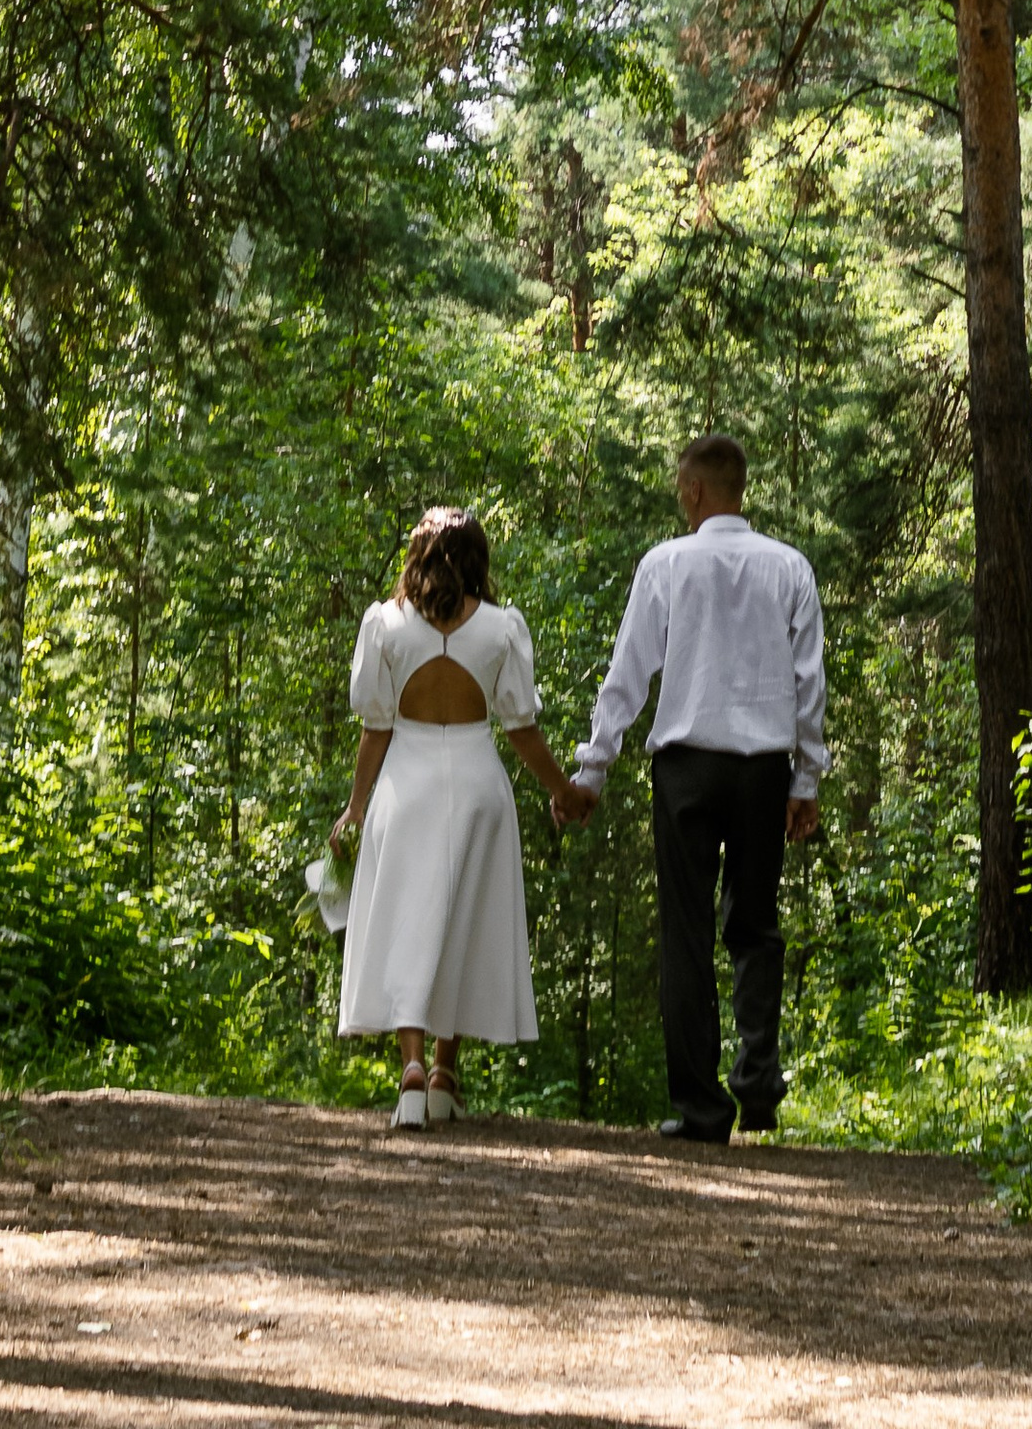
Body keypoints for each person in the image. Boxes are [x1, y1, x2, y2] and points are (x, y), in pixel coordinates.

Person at [557, 432, 827, 1143]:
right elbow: (809, 680)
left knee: (686, 931)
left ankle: (702, 1108)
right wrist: (807, 778)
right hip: (764, 768)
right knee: (755, 921)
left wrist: (593, 768)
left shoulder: (666, 564)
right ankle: (759, 1084)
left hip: (685, 766)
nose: (680, 493)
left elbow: (629, 673)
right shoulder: (789, 567)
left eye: (682, 483)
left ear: (699, 489)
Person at [332, 505, 576, 1129]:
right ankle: (444, 1070)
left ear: (416, 556)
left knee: (409, 920)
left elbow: (374, 727)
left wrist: (356, 808)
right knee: (463, 919)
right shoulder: (501, 628)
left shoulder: (385, 625)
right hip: (476, 782)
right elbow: (521, 728)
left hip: (406, 783)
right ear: (477, 558)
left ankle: (411, 1066)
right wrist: (563, 790)